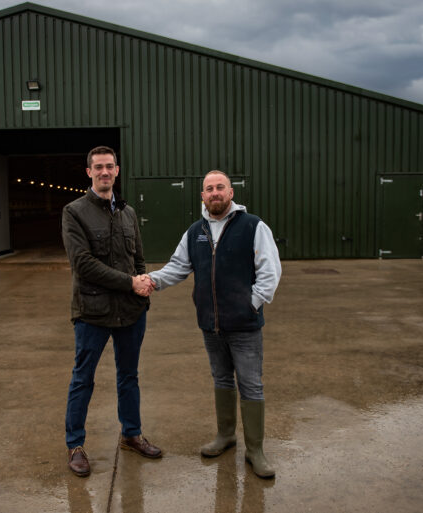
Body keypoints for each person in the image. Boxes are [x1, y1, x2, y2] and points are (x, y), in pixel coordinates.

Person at [147, 170, 281, 478]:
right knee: (221, 380)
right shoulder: (196, 231)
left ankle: (256, 450)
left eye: (220, 187)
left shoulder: (253, 226)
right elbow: (178, 267)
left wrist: (251, 304)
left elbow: (270, 271)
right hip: (211, 324)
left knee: (250, 384)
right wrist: (150, 280)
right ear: (203, 197)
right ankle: (226, 435)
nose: (215, 192)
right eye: (209, 189)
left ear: (231, 193)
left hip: (245, 325)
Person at [61, 146, 161, 478]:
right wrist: (130, 283)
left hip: (131, 312)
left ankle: (131, 434)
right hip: (92, 312)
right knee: (82, 379)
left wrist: (142, 289)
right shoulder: (74, 212)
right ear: (89, 172)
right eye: (98, 167)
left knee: (129, 376)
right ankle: (75, 445)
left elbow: (138, 259)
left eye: (110, 167)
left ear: (117, 171)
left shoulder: (128, 213)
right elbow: (83, 264)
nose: (104, 172)